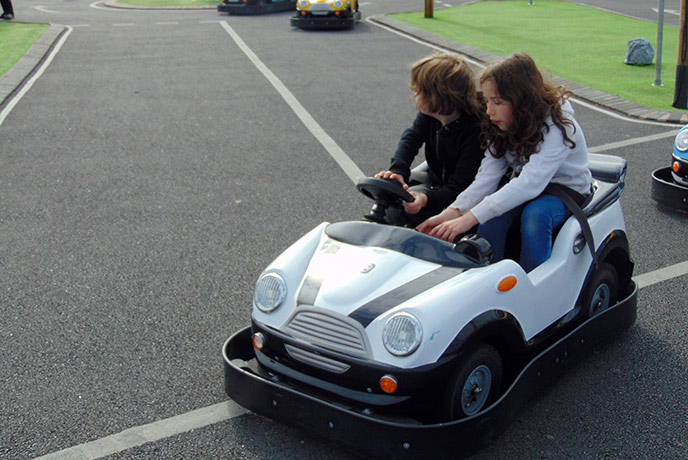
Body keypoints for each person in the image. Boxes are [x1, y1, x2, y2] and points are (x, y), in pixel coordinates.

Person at [417, 52, 593, 273]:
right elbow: (487, 178)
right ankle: (485, 280)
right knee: (492, 219)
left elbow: (531, 182)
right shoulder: (499, 122)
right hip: (531, 186)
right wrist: (453, 211)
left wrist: (470, 218)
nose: (488, 110)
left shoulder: (559, 125)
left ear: (522, 101)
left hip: (565, 189)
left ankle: (534, 288)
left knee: (536, 216)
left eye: (497, 102)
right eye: (488, 101)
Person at [375, 51, 484, 227]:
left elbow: (460, 187)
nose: (414, 94)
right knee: (392, 203)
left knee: (399, 214)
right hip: (438, 181)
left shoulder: (475, 131)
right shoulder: (430, 116)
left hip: (462, 198)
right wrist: (398, 171)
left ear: (438, 96)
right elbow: (411, 138)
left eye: (419, 91)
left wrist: (425, 199)